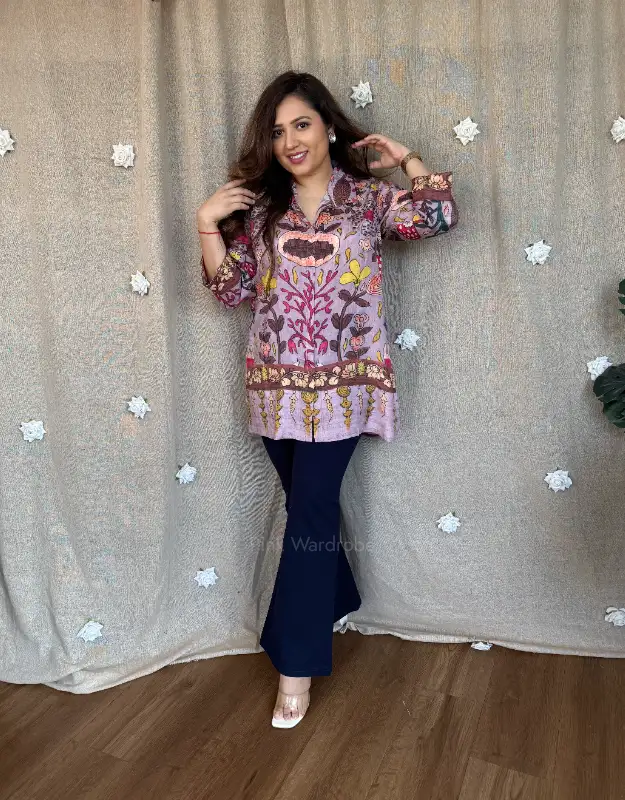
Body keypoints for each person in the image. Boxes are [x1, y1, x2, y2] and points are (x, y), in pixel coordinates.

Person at [196, 71, 459, 728]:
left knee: (309, 516)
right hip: (273, 388)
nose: (290, 140)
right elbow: (232, 292)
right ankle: (335, 593)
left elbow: (436, 217)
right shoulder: (261, 211)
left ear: (329, 128)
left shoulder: (368, 199)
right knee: (306, 509)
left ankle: (296, 665)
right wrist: (206, 223)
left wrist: (408, 159)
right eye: (277, 131)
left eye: (301, 124)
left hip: (344, 390)